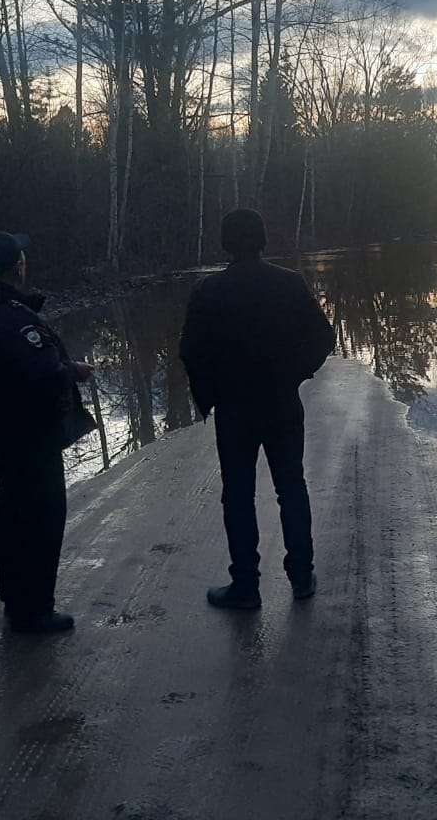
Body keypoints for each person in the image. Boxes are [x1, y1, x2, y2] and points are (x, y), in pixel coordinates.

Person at [179, 209, 335, 609]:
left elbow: (190, 353)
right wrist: (297, 373)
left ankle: (245, 587)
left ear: (225, 243)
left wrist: (210, 394)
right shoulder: (289, 284)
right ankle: (301, 577)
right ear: (264, 240)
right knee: (291, 489)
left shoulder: (208, 291)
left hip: (234, 409)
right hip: (282, 403)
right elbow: (323, 338)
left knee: (238, 496)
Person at [0, 231, 96, 634]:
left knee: (14, 517)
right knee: (40, 519)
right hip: (31, 435)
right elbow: (38, 374)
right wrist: (74, 371)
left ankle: (18, 600)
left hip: (4, 430)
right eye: (22, 257)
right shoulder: (9, 319)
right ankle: (34, 610)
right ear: (16, 267)